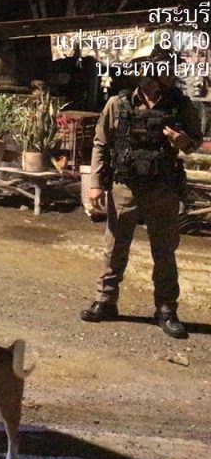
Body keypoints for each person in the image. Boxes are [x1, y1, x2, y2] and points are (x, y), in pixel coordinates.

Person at [79, 53, 203, 339]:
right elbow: (101, 143)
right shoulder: (117, 103)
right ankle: (105, 301)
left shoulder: (181, 106)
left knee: (164, 252)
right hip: (125, 187)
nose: (171, 75)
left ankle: (166, 309)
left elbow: (194, 143)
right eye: (165, 71)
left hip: (163, 188)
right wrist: (95, 184)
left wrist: (182, 141)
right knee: (114, 247)